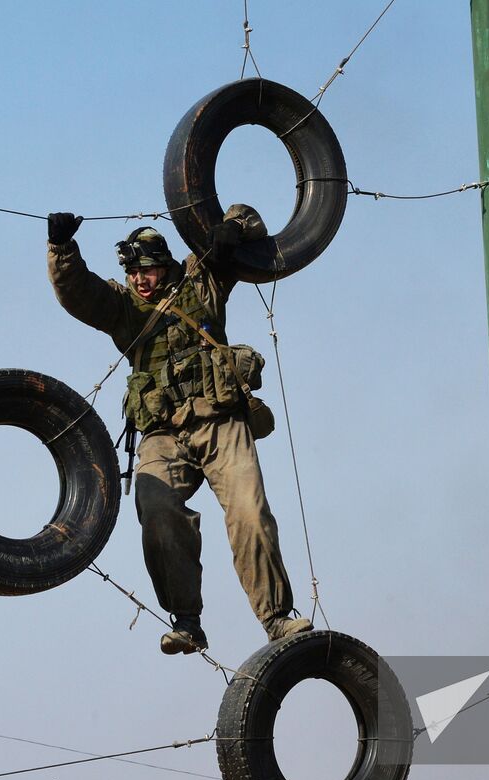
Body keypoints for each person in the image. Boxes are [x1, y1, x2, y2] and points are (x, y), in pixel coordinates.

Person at [46, 205, 313, 653]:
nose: (139, 280)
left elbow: (254, 227)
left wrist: (231, 228)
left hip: (220, 422)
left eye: (145, 270)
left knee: (249, 511)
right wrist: (61, 248)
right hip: (162, 434)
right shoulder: (124, 309)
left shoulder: (202, 277)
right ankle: (187, 620)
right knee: (157, 510)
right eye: (132, 273)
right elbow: (76, 291)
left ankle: (277, 618)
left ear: (164, 264)